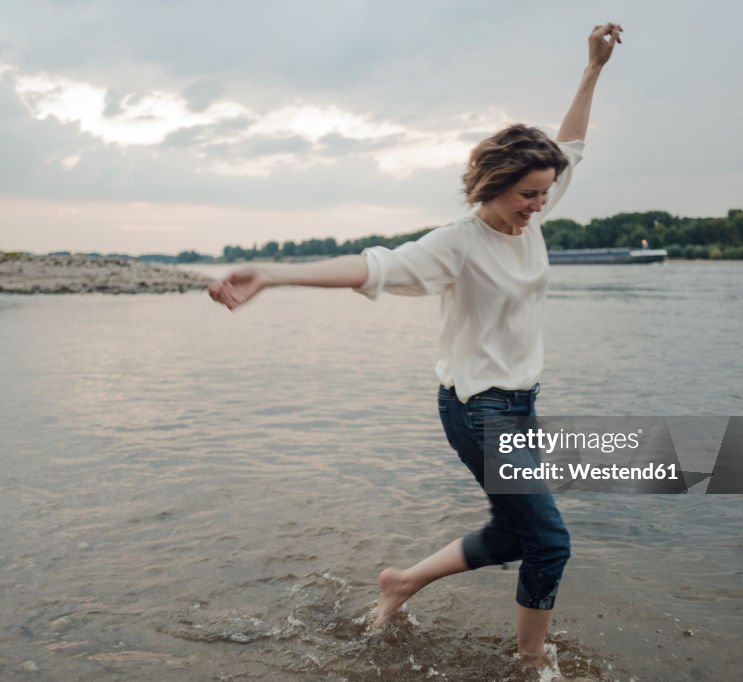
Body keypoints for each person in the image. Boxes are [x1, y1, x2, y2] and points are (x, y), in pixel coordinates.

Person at [208, 22, 623, 664]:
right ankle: (530, 662)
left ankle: (402, 582)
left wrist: (592, 69)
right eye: (527, 195)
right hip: (477, 410)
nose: (540, 206)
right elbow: (374, 267)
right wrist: (274, 273)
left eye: (545, 193)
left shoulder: (532, 205)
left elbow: (571, 143)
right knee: (550, 543)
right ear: (492, 187)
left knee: (519, 534)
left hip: (519, 406)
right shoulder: (456, 242)